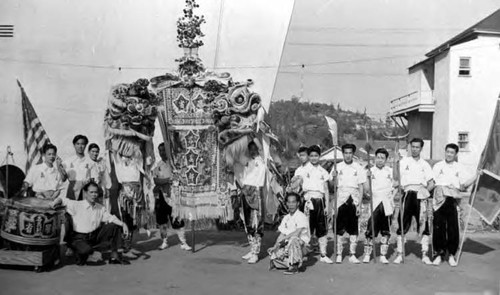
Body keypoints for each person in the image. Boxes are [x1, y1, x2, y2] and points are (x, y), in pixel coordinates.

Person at [51, 182, 129, 265]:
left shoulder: (100, 207)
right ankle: (81, 253)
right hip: (79, 238)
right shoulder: (77, 205)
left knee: (113, 226)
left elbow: (111, 218)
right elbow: (63, 200)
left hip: (94, 237)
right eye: (91, 192)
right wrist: (56, 201)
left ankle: (114, 255)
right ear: (85, 193)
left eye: (95, 192)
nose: (94, 195)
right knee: (85, 253)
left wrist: (123, 224)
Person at [431, 143, 479, 267]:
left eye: (452, 152)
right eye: (447, 151)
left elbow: (464, 185)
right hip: (439, 200)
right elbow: (432, 183)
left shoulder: (459, 167)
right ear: (445, 152)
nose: (449, 154)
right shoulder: (437, 166)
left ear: (455, 154)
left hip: (453, 200)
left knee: (453, 228)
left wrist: (476, 176)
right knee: (438, 227)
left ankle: (451, 254)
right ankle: (439, 254)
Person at [393, 138, 434, 265]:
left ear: (421, 148)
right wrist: (395, 163)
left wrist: (425, 192)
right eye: (413, 147)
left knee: (424, 224)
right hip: (407, 194)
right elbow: (395, 177)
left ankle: (425, 254)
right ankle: (400, 254)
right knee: (402, 223)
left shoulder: (425, 164)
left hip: (420, 195)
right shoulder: (404, 161)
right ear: (410, 147)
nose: (415, 149)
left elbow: (431, 183)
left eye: (417, 147)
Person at [152, 143, 191, 251]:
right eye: (160, 150)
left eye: (164, 150)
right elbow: (156, 181)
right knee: (162, 221)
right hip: (161, 195)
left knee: (177, 218)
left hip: (174, 195)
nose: (162, 152)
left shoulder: (175, 164)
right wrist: (167, 180)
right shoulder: (158, 165)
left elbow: (180, 177)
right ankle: (164, 241)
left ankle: (183, 242)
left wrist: (172, 180)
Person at [298, 145, 333, 264]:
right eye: (311, 156)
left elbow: (327, 190)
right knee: (306, 228)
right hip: (307, 201)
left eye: (316, 156)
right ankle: (303, 254)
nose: (314, 158)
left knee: (322, 228)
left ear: (320, 156)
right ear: (308, 156)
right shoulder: (302, 170)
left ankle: (323, 254)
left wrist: (327, 206)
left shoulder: (323, 171)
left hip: (320, 201)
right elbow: (296, 186)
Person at [333, 143, 366, 264]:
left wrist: (359, 205)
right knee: (339, 228)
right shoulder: (337, 166)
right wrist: (334, 177)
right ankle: (339, 254)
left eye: (350, 153)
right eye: (345, 153)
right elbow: (333, 186)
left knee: (353, 229)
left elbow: (361, 187)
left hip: (354, 199)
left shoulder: (358, 167)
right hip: (341, 199)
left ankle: (352, 254)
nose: (348, 155)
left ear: (353, 154)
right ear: (343, 154)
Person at [361, 148, 395, 264]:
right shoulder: (370, 171)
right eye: (378, 157)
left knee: (385, 230)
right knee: (371, 229)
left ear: (386, 159)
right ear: (375, 158)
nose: (380, 160)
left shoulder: (390, 171)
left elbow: (396, 185)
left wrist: (392, 196)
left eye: (382, 158)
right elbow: (365, 189)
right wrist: (367, 178)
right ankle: (367, 254)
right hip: (374, 202)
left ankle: (383, 255)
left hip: (386, 202)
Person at [268, 192, 310, 275]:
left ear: (298, 203)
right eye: (289, 202)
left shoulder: (301, 216)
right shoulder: (286, 218)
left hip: (301, 245)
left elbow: (297, 233)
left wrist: (284, 239)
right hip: (287, 244)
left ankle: (294, 266)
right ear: (286, 203)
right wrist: (275, 246)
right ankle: (291, 262)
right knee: (274, 254)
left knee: (294, 240)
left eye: (293, 202)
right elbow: (281, 235)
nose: (291, 205)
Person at [240, 140, 266, 264]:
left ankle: (256, 252)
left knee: (257, 222)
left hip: (256, 191)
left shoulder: (262, 160)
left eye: (254, 148)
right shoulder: (246, 161)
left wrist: (252, 131)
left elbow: (260, 146)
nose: (252, 150)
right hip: (246, 190)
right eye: (250, 148)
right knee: (247, 222)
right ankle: (252, 248)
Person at [63, 135, 97, 200]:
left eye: (83, 144)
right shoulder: (67, 161)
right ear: (74, 145)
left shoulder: (91, 162)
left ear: (86, 145)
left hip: (86, 190)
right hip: (72, 190)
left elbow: (94, 179)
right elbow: (63, 179)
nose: (80, 146)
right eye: (78, 144)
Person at [88, 143, 111, 210]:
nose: (95, 154)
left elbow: (105, 177)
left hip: (100, 189)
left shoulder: (101, 163)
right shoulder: (86, 163)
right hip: (89, 190)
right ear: (89, 152)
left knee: (101, 208)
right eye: (93, 151)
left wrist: (107, 188)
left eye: (97, 152)